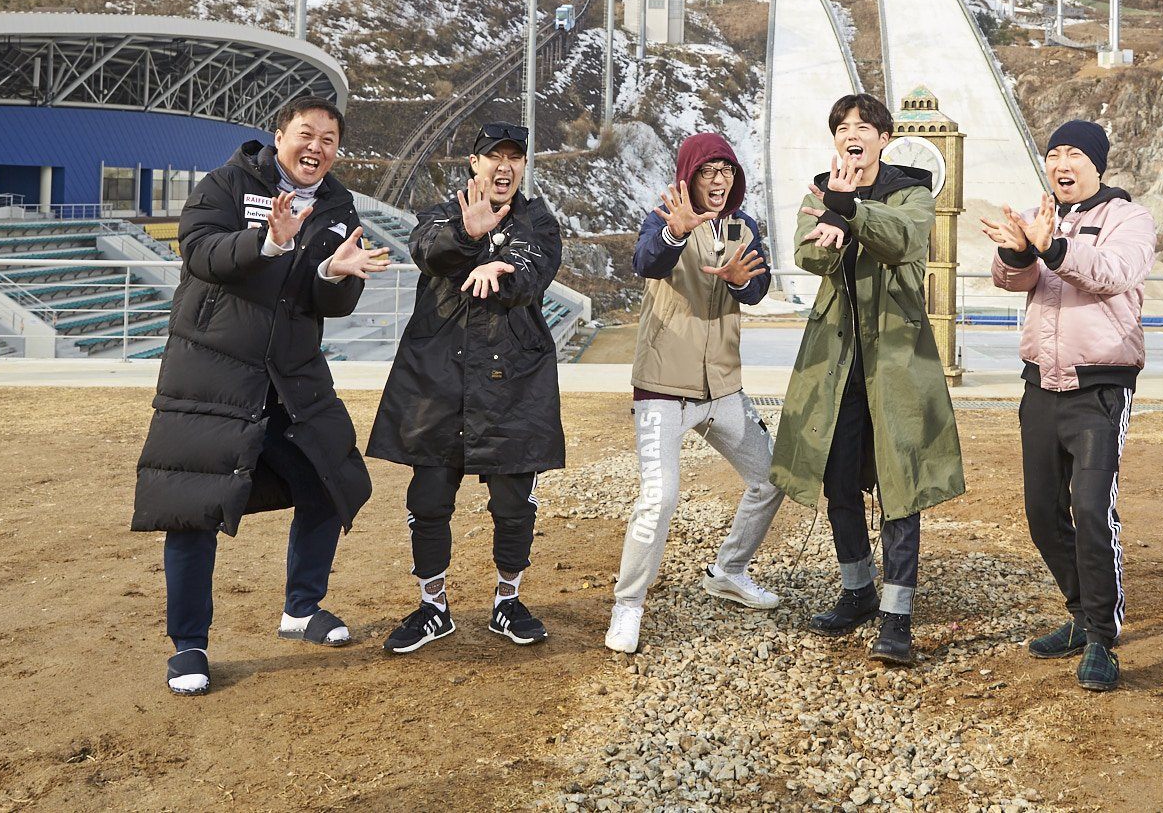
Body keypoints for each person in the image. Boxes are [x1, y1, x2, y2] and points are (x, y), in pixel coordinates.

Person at [131, 94, 392, 697]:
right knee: (192, 505)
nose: (316, 148)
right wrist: (269, 243)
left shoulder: (336, 204)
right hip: (214, 373)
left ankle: (300, 610)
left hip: (292, 376)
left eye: (328, 139)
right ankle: (189, 646)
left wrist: (332, 276)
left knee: (331, 478)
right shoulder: (225, 184)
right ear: (278, 137)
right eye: (306, 134)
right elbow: (199, 252)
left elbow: (325, 298)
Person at [769, 92, 965, 666]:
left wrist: (850, 211)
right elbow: (808, 256)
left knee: (900, 486)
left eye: (863, 126)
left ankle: (896, 616)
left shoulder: (913, 190)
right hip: (837, 361)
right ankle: (857, 590)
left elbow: (904, 239)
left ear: (883, 138)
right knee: (837, 478)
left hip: (897, 362)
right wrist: (831, 217)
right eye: (842, 127)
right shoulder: (820, 189)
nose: (851, 135)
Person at [369, 123, 564, 654]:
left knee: (513, 502)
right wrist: (470, 234)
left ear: (523, 166)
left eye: (515, 158)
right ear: (473, 163)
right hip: (438, 378)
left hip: (514, 383)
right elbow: (429, 253)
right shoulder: (441, 213)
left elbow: (535, 270)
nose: (505, 167)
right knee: (429, 498)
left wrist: (503, 266)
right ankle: (433, 606)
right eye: (494, 157)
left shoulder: (538, 220)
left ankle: (508, 600)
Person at [982, 120, 1156, 692]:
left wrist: (1051, 246)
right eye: (1054, 153)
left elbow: (1111, 274)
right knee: (1041, 512)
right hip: (1040, 385)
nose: (1062, 163)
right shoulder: (1044, 217)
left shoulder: (1127, 219)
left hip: (1099, 388)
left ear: (1097, 165)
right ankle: (1080, 615)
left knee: (1090, 510)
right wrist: (1015, 252)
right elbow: (1014, 281)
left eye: (1074, 153)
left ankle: (1103, 638)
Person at [606, 131, 785, 653]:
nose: (718, 180)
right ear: (689, 177)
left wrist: (735, 280)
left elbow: (755, 289)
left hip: (723, 387)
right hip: (663, 387)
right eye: (708, 172)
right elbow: (646, 262)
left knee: (770, 477)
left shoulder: (744, 226)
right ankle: (628, 606)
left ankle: (728, 571)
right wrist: (676, 235)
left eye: (726, 172)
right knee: (658, 498)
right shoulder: (665, 216)